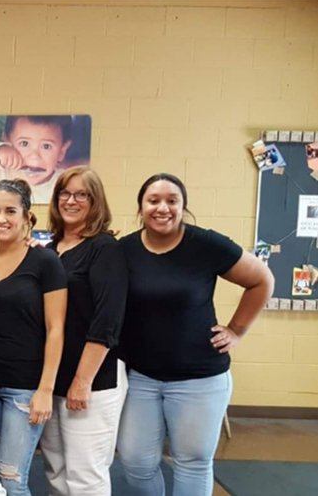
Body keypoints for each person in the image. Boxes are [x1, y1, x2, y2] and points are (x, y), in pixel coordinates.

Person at [117, 173, 274, 496]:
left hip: (199, 379)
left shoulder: (205, 244)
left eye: (172, 201)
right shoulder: (125, 250)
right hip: (142, 378)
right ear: (141, 207)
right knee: (135, 463)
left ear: (183, 206)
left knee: (192, 462)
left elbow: (261, 280)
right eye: (154, 200)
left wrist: (236, 330)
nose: (163, 208)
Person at [0, 179, 67, 496]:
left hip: (24, 390)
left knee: (12, 479)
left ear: (27, 217)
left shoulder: (46, 263)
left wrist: (45, 390)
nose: (1, 218)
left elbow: (56, 329)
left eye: (10, 211)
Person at [39, 167, 128, 496]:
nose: (71, 200)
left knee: (85, 474)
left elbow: (107, 321)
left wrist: (82, 381)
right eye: (64, 193)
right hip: (52, 381)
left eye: (81, 194)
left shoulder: (104, 249)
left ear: (95, 202)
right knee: (56, 470)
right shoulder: (48, 251)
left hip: (93, 380)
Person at [0, 116, 73, 203]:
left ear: (62, 151)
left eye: (46, 146)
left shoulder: (67, 185)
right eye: (24, 143)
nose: (34, 156)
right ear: (6, 141)